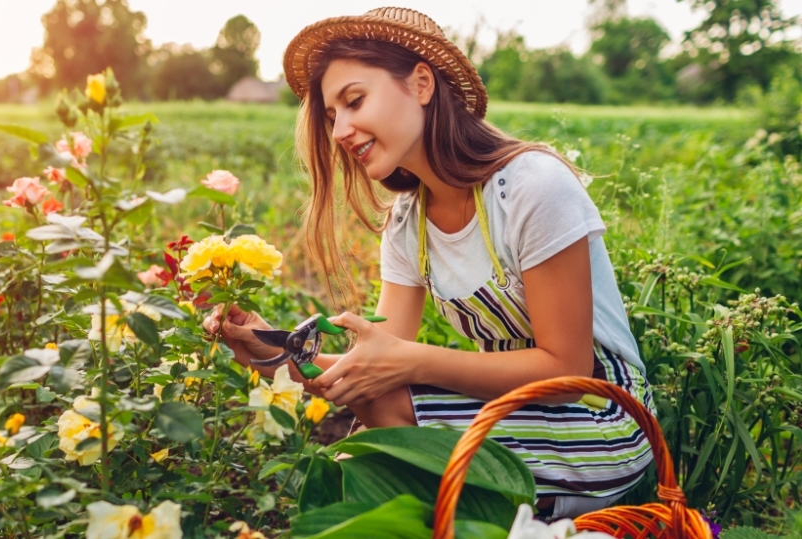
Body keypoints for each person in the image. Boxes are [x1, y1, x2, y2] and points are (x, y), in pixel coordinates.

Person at [204, 7, 653, 519]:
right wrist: (274, 350)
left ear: (421, 83)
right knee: (375, 412)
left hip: (601, 415)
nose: (340, 131)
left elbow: (566, 366)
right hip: (519, 410)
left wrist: (412, 361)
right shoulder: (407, 223)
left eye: (354, 101)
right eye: (332, 117)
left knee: (381, 441)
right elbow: (372, 372)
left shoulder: (532, 188)